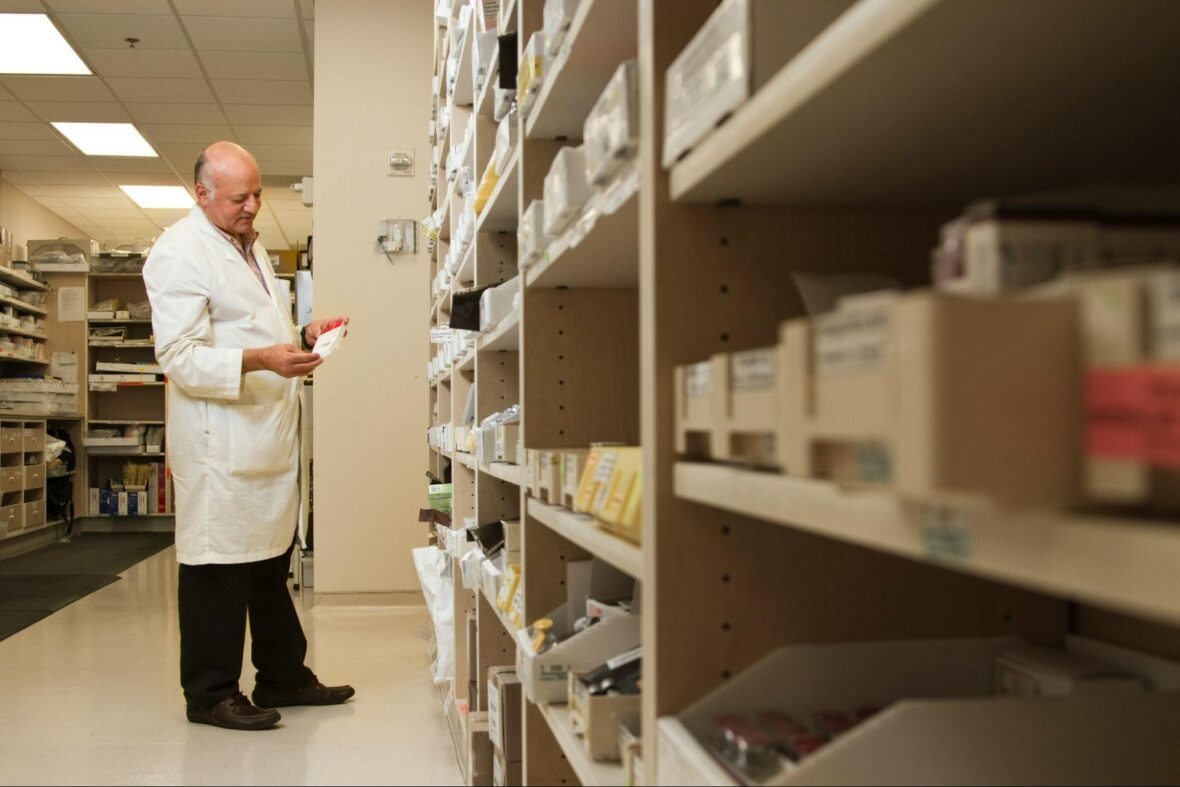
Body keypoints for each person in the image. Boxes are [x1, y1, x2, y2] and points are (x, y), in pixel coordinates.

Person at [144, 141, 353, 731]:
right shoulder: (179, 252)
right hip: (221, 442)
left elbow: (252, 325)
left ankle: (283, 676)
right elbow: (180, 356)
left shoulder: (245, 244)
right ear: (201, 193)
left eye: (258, 193)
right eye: (240, 197)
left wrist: (303, 334)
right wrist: (263, 359)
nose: (253, 206)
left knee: (267, 563)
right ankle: (209, 694)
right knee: (217, 567)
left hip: (263, 434)